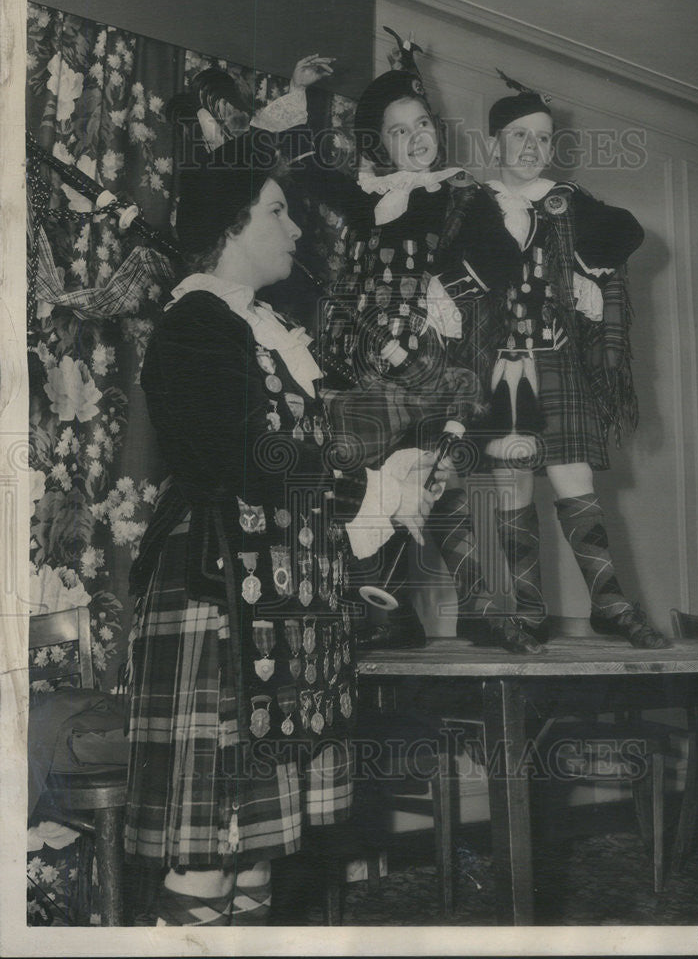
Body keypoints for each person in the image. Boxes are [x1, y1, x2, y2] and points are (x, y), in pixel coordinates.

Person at [124, 73, 446, 926]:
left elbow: (329, 428)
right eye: (277, 211)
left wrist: (409, 443)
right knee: (206, 871)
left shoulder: (267, 328)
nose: (296, 227)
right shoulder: (197, 323)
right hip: (218, 597)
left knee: (258, 863)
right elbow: (243, 458)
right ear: (231, 228)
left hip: (275, 610)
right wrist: (363, 485)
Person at [310, 31, 542, 654]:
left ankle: (478, 604)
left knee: (434, 476)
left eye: (421, 123)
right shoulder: (364, 203)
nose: (416, 137)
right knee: (369, 481)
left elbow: (501, 267)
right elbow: (338, 283)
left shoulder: (462, 195)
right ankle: (383, 612)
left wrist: (451, 287)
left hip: (433, 360)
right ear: (377, 146)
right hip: (365, 360)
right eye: (396, 131)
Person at [483, 74, 671, 649]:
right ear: (495, 143)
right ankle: (527, 610)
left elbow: (630, 233)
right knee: (511, 482)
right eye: (519, 135)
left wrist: (584, 275)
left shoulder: (567, 200)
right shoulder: (470, 203)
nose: (531, 147)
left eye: (542, 137)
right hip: (496, 365)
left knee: (574, 480)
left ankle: (610, 605)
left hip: (555, 360)